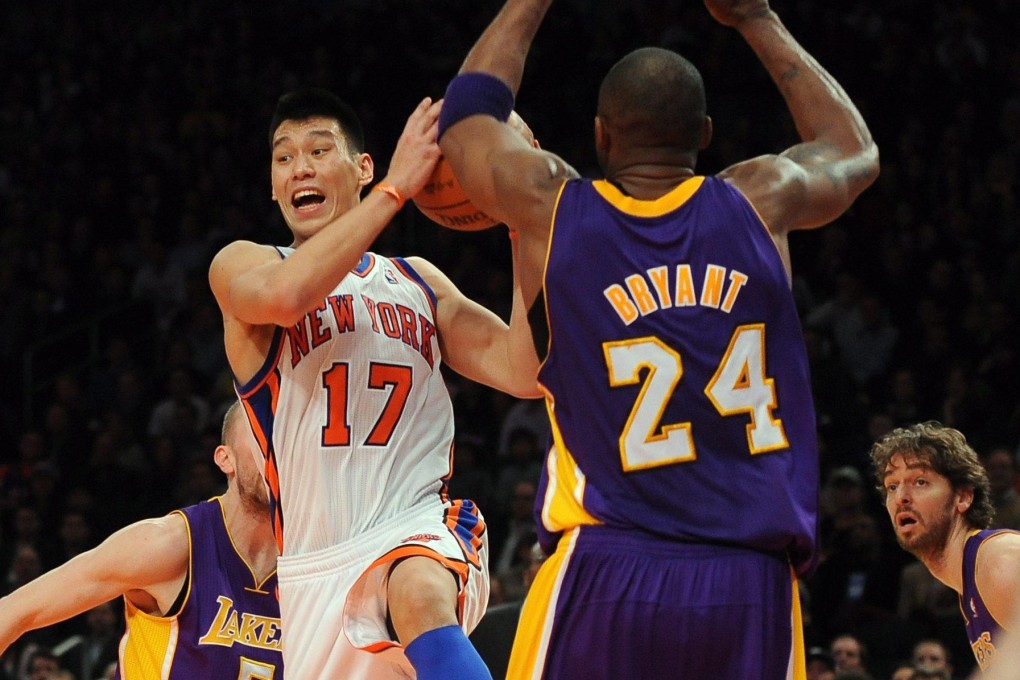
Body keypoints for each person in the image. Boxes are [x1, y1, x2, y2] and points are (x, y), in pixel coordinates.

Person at [437, 0, 879, 677]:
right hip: (749, 582)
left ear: (601, 135)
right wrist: (758, 18)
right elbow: (854, 151)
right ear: (704, 132)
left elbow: (466, 119)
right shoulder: (761, 201)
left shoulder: (554, 207)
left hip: (608, 566)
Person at [208, 89, 540, 679]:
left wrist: (524, 226)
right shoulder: (242, 263)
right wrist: (395, 190)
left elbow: (525, 369)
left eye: (318, 149)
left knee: (415, 587)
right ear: (273, 184)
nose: (300, 167)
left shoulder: (419, 282)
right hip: (313, 567)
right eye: (284, 158)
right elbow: (285, 300)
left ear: (361, 167)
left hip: (414, 525)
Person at [0, 402, 283, 679]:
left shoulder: (312, 561)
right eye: (262, 437)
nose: (275, 453)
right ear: (225, 458)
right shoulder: (168, 545)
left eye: (286, 439)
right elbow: (16, 610)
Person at [869, 421, 1020, 673]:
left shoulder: (998, 560)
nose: (901, 497)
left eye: (919, 482)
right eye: (892, 486)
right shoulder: (968, 586)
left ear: (963, 497)